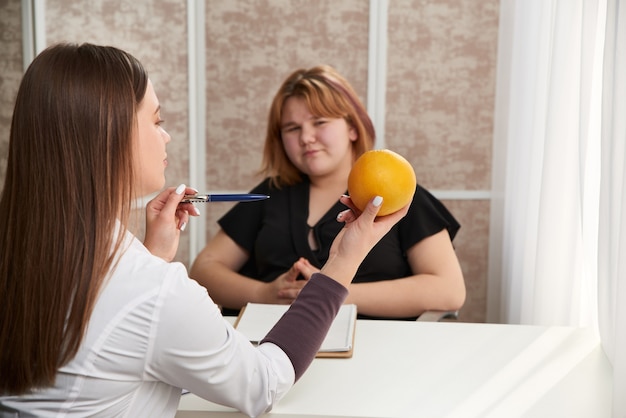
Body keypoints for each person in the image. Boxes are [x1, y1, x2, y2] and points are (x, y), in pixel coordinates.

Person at [0, 43, 407, 417]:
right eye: (156, 121)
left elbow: (110, 343)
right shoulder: (151, 291)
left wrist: (153, 255)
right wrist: (344, 258)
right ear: (109, 137)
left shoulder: (23, 254)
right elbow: (263, 383)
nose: (167, 135)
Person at [190, 65, 466, 320]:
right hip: (272, 354)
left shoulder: (398, 194)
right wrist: (265, 295)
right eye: (292, 128)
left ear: (352, 128)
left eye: (320, 122)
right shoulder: (268, 195)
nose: (306, 137)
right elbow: (204, 270)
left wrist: (331, 291)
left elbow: (449, 290)